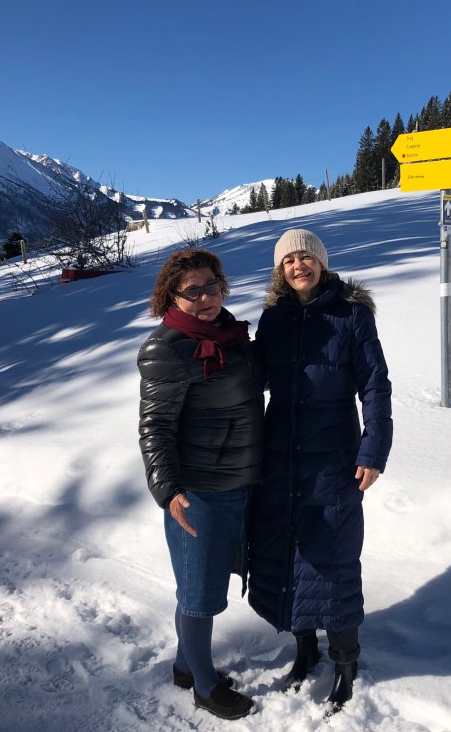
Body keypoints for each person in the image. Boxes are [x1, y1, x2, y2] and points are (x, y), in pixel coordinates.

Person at [248, 228, 393, 715]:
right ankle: (304, 648)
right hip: (280, 458)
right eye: (288, 260)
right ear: (279, 271)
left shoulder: (351, 315)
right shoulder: (273, 319)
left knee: (333, 559)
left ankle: (346, 660)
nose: (297, 266)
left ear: (321, 263)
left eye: (305, 258)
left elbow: (375, 385)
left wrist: (373, 450)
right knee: (290, 553)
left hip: (334, 456)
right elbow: (253, 380)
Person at [137, 248, 262, 721]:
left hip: (238, 480)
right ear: (173, 295)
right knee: (199, 592)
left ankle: (185, 666)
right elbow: (155, 428)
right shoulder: (166, 349)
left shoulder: (230, 334)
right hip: (199, 490)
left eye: (212, 286)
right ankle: (205, 687)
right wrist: (169, 491)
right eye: (193, 291)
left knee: (199, 584)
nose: (206, 297)